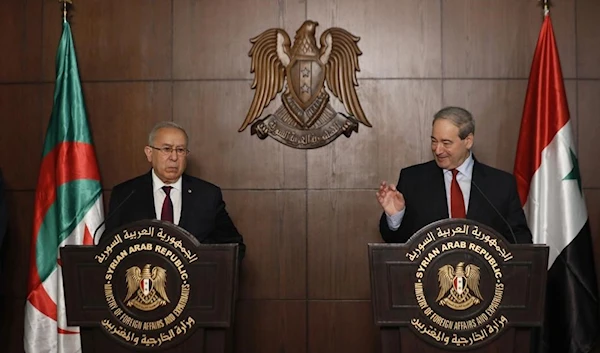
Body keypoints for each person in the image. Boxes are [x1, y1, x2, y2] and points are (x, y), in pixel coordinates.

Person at [377, 106, 532, 244]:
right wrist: (396, 216)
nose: (437, 150)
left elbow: (520, 241)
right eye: (434, 141)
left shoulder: (501, 184)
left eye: (446, 143)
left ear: (468, 141)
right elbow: (396, 242)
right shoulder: (413, 179)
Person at [106, 121, 246, 258]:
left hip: (196, 280)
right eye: (166, 149)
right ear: (149, 153)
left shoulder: (208, 195)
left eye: (180, 150)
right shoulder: (126, 194)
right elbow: (108, 248)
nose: (174, 157)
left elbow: (235, 248)